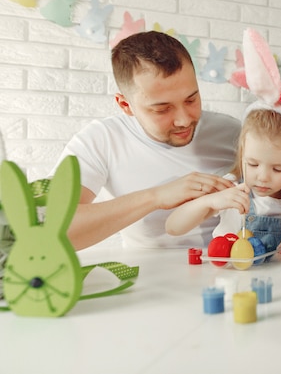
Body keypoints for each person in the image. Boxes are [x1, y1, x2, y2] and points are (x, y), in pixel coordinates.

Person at [50, 31, 241, 250]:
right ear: (125, 105)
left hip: (228, 273)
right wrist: (155, 197)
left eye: (191, 99)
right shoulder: (101, 140)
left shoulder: (232, 132)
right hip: (147, 277)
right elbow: (52, 228)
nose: (184, 120)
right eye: (162, 109)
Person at [166, 107, 281, 255]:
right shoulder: (230, 187)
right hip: (229, 276)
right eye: (253, 164)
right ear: (242, 156)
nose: (263, 177)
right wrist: (209, 201)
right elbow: (173, 227)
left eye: (277, 169)